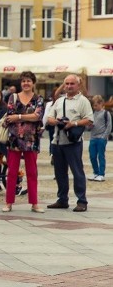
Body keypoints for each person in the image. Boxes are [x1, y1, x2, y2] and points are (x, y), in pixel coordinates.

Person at [46, 74, 93, 212]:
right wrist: (56, 122)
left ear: (78, 85)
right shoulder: (60, 101)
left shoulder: (83, 101)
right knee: (59, 172)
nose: (69, 86)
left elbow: (89, 120)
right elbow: (49, 117)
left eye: (72, 83)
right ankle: (62, 199)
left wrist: (73, 123)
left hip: (73, 142)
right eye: (67, 83)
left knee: (77, 172)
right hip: (57, 141)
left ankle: (82, 201)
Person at [2, 72, 45, 213]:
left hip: (31, 139)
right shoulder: (13, 97)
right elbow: (9, 116)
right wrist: (26, 117)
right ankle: (8, 202)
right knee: (12, 172)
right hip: (14, 139)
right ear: (21, 83)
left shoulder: (39, 98)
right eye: (23, 81)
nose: (26, 83)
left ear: (33, 83)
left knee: (32, 172)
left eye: (28, 81)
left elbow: (37, 116)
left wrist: (19, 116)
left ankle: (34, 203)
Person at [89, 95, 111, 182]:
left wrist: (104, 137)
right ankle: (95, 172)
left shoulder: (106, 113)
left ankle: (101, 174)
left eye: (96, 105)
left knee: (101, 156)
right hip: (93, 137)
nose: (95, 107)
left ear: (101, 103)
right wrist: (89, 126)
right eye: (93, 105)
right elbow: (89, 126)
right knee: (92, 156)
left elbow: (109, 126)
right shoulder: (92, 114)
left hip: (101, 138)